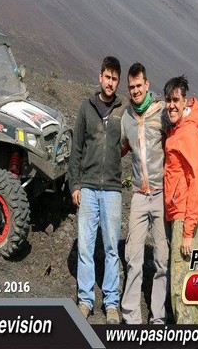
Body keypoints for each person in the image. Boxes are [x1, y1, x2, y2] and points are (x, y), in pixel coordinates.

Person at [69, 56, 126, 325]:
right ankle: (86, 300)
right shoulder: (86, 108)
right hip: (89, 188)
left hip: (113, 188)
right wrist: (75, 184)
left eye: (115, 79)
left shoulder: (123, 110)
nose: (110, 82)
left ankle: (111, 303)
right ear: (100, 76)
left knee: (112, 248)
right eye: (107, 77)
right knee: (85, 247)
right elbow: (76, 149)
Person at [120, 63, 169, 324]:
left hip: (161, 195)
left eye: (140, 85)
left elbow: (185, 122)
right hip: (139, 194)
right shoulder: (126, 117)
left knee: (161, 259)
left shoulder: (161, 112)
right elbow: (119, 147)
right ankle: (131, 317)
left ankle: (158, 317)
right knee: (133, 258)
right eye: (132, 87)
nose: (136, 90)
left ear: (147, 85)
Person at [163, 75, 198, 324]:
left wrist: (187, 231)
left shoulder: (188, 133)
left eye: (176, 100)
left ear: (185, 102)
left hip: (184, 217)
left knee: (181, 287)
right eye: (168, 100)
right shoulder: (179, 129)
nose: (171, 105)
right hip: (182, 214)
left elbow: (195, 182)